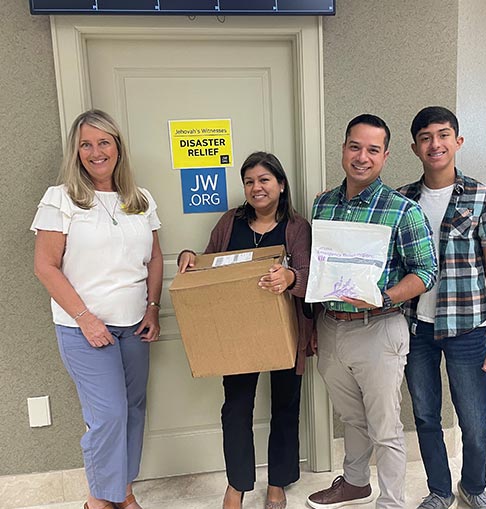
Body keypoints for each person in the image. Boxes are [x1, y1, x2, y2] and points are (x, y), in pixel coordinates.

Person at [32, 109, 163, 509]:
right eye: (86, 144)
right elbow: (45, 266)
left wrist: (153, 308)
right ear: (76, 151)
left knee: (133, 411)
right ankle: (99, 501)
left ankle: (121, 492)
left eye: (103, 142)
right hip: (84, 329)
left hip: (134, 326)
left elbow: (155, 259)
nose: (95, 151)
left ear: (117, 147)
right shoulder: (61, 199)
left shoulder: (140, 200)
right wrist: (85, 319)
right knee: (108, 415)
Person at [306, 114, 438, 509]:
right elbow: (318, 264)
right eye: (354, 147)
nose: (362, 157)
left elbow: (427, 271)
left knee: (385, 428)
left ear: (385, 156)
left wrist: (384, 296)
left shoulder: (403, 210)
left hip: (378, 329)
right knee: (351, 418)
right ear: (344, 148)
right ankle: (355, 483)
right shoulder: (323, 203)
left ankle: (392, 502)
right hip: (331, 327)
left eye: (372, 150)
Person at [177, 151, 313, 509]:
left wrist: (291, 277)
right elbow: (207, 267)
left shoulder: (297, 228)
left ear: (281, 185)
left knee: (285, 406)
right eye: (250, 181)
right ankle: (237, 485)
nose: (257, 188)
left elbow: (311, 276)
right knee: (235, 408)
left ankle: (278, 483)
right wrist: (190, 257)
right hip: (235, 334)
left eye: (265, 180)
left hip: (286, 333)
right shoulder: (229, 223)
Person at [398, 106, 486, 509]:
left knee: (474, 420)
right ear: (415, 147)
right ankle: (440, 491)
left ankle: (474, 486)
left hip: (466, 329)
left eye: (444, 135)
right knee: (426, 416)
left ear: (457, 142)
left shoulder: (481, 196)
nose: (436, 144)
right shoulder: (402, 199)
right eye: (426, 137)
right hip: (415, 329)